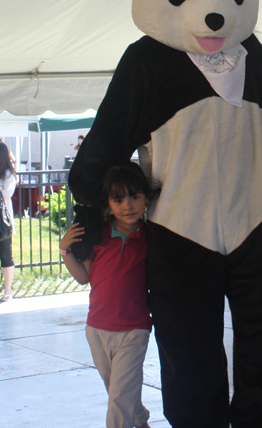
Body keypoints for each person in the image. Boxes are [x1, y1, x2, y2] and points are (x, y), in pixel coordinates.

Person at [60, 162, 160, 428]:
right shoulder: (100, 235)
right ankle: (139, 419)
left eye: (134, 196)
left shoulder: (150, 238)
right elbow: (84, 277)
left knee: (118, 398)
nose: (127, 205)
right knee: (118, 390)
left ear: (146, 198)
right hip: (97, 330)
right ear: (108, 202)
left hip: (134, 330)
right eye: (118, 199)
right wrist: (65, 251)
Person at [0, 142, 16, 302]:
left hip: (3, 221)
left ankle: (8, 289)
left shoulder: (9, 175)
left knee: (6, 255)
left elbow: (6, 193)